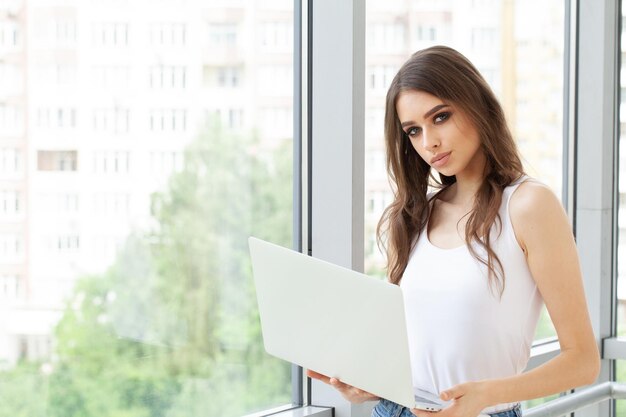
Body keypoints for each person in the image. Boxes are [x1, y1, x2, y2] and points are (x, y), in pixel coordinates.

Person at [307, 46, 600, 417]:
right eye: (413, 131)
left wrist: (485, 396)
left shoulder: (529, 206)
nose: (428, 142)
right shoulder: (416, 215)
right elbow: (413, 347)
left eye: (440, 117)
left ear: (476, 104)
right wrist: (369, 383)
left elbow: (583, 361)